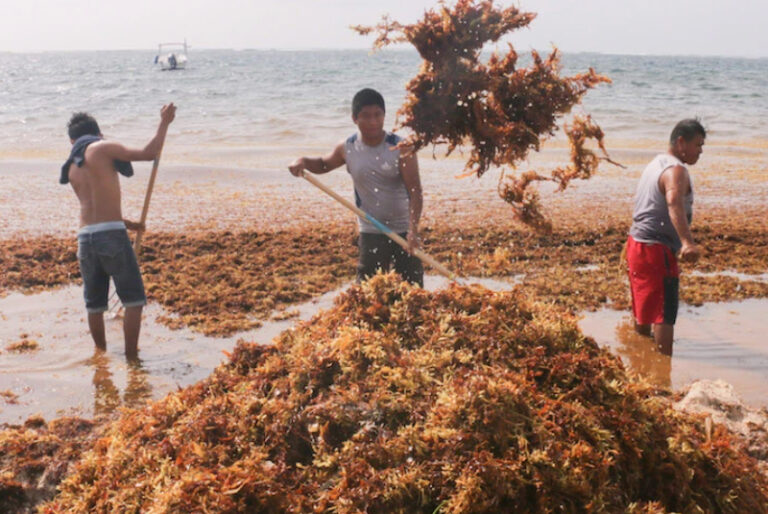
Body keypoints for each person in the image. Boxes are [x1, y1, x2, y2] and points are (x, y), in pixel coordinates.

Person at [62, 104, 176, 360]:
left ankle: (100, 355)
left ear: (72, 141)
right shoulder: (102, 147)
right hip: (111, 236)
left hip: (85, 238)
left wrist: (128, 223)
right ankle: (131, 357)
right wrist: (165, 122)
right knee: (134, 300)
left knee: (94, 305)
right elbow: (150, 152)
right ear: (98, 133)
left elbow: (92, 206)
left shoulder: (71, 166)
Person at [288, 88, 424, 286]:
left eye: (378, 115)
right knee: (367, 291)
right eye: (366, 116)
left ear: (385, 116)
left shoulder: (401, 147)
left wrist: (413, 230)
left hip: (403, 229)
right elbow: (323, 164)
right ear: (354, 118)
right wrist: (302, 161)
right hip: (371, 228)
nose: (373, 121)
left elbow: (415, 191)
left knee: (413, 289)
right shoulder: (348, 147)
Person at [626, 118, 705, 356]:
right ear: (681, 142)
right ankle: (662, 366)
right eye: (698, 145)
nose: (700, 151)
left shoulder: (656, 163)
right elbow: (673, 201)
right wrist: (687, 242)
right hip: (656, 250)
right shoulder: (676, 170)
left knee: (644, 305)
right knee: (664, 313)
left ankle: (642, 359)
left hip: (637, 243)